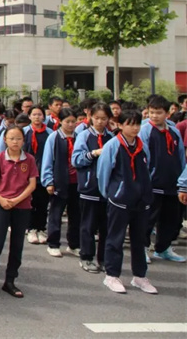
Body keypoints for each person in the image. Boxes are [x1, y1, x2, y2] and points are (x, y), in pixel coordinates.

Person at [97, 109, 157, 294]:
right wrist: (112, 194)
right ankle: (112, 275)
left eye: (137, 124)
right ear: (120, 125)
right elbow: (103, 173)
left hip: (141, 200)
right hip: (119, 200)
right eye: (130, 124)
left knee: (140, 240)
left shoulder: (142, 145)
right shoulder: (113, 145)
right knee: (115, 238)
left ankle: (139, 276)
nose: (135, 128)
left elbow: (148, 168)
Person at [0, 125, 37, 301]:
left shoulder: (29, 159)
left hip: (22, 205)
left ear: (23, 140)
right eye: (11, 138)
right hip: (1, 204)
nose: (15, 142)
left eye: (18, 138)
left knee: (17, 244)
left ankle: (10, 281)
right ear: (4, 140)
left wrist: (17, 199)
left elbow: (32, 184)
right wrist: (0, 198)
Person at [138, 95, 186, 263]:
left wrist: (182, 181)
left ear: (167, 113)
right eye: (151, 112)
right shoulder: (145, 130)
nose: (154, 116)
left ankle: (163, 248)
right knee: (148, 219)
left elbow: (181, 156)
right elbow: (143, 158)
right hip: (153, 184)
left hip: (172, 183)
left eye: (158, 113)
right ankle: (142, 248)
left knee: (170, 219)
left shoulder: (174, 131)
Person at [72, 102, 113, 273]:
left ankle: (104, 259)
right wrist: (93, 153)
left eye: (104, 118)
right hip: (89, 187)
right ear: (90, 117)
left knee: (106, 227)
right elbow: (76, 160)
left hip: (108, 189)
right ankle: (86, 257)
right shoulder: (84, 136)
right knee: (88, 226)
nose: (100, 122)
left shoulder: (112, 137)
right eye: (97, 118)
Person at [41, 107, 80, 258]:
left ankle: (74, 244)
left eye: (73, 121)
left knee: (76, 215)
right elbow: (48, 160)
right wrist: (48, 181)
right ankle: (53, 243)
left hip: (77, 182)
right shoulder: (54, 138)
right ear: (60, 121)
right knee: (56, 214)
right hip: (59, 181)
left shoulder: (79, 137)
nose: (70, 124)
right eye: (67, 121)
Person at [24, 106, 52, 245]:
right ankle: (31, 228)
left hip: (43, 172)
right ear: (29, 116)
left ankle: (41, 228)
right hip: (28, 172)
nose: (37, 117)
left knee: (43, 202)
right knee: (30, 201)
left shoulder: (50, 133)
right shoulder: (25, 132)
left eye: (39, 114)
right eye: (34, 114)